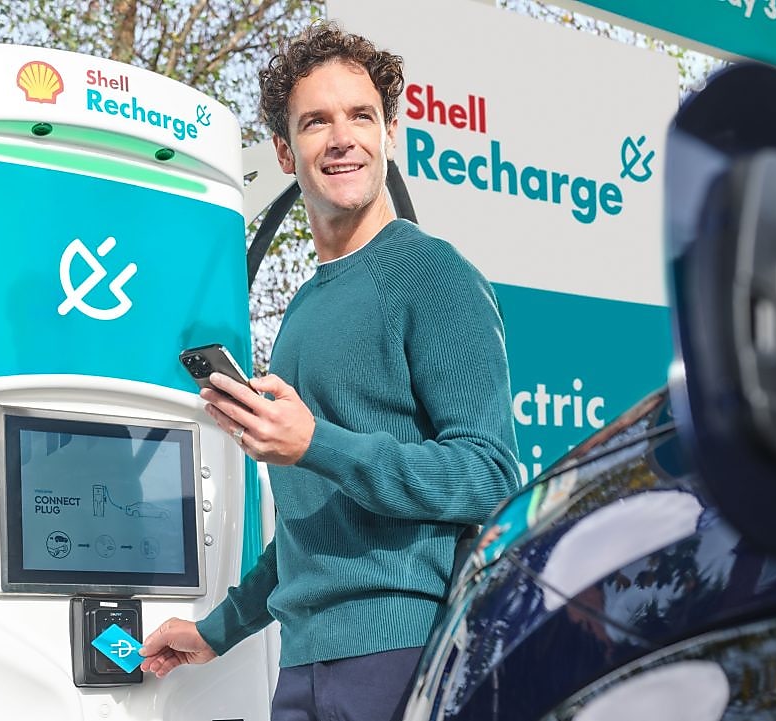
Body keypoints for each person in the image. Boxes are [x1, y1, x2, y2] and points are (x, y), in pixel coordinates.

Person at [139, 21, 520, 721]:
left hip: (405, 659)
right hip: (304, 666)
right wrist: (212, 631)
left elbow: (491, 475)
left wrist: (318, 441)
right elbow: (314, 526)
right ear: (286, 150)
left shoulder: (432, 273)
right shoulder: (305, 309)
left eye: (361, 116)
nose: (342, 138)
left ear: (390, 133)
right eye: (317, 122)